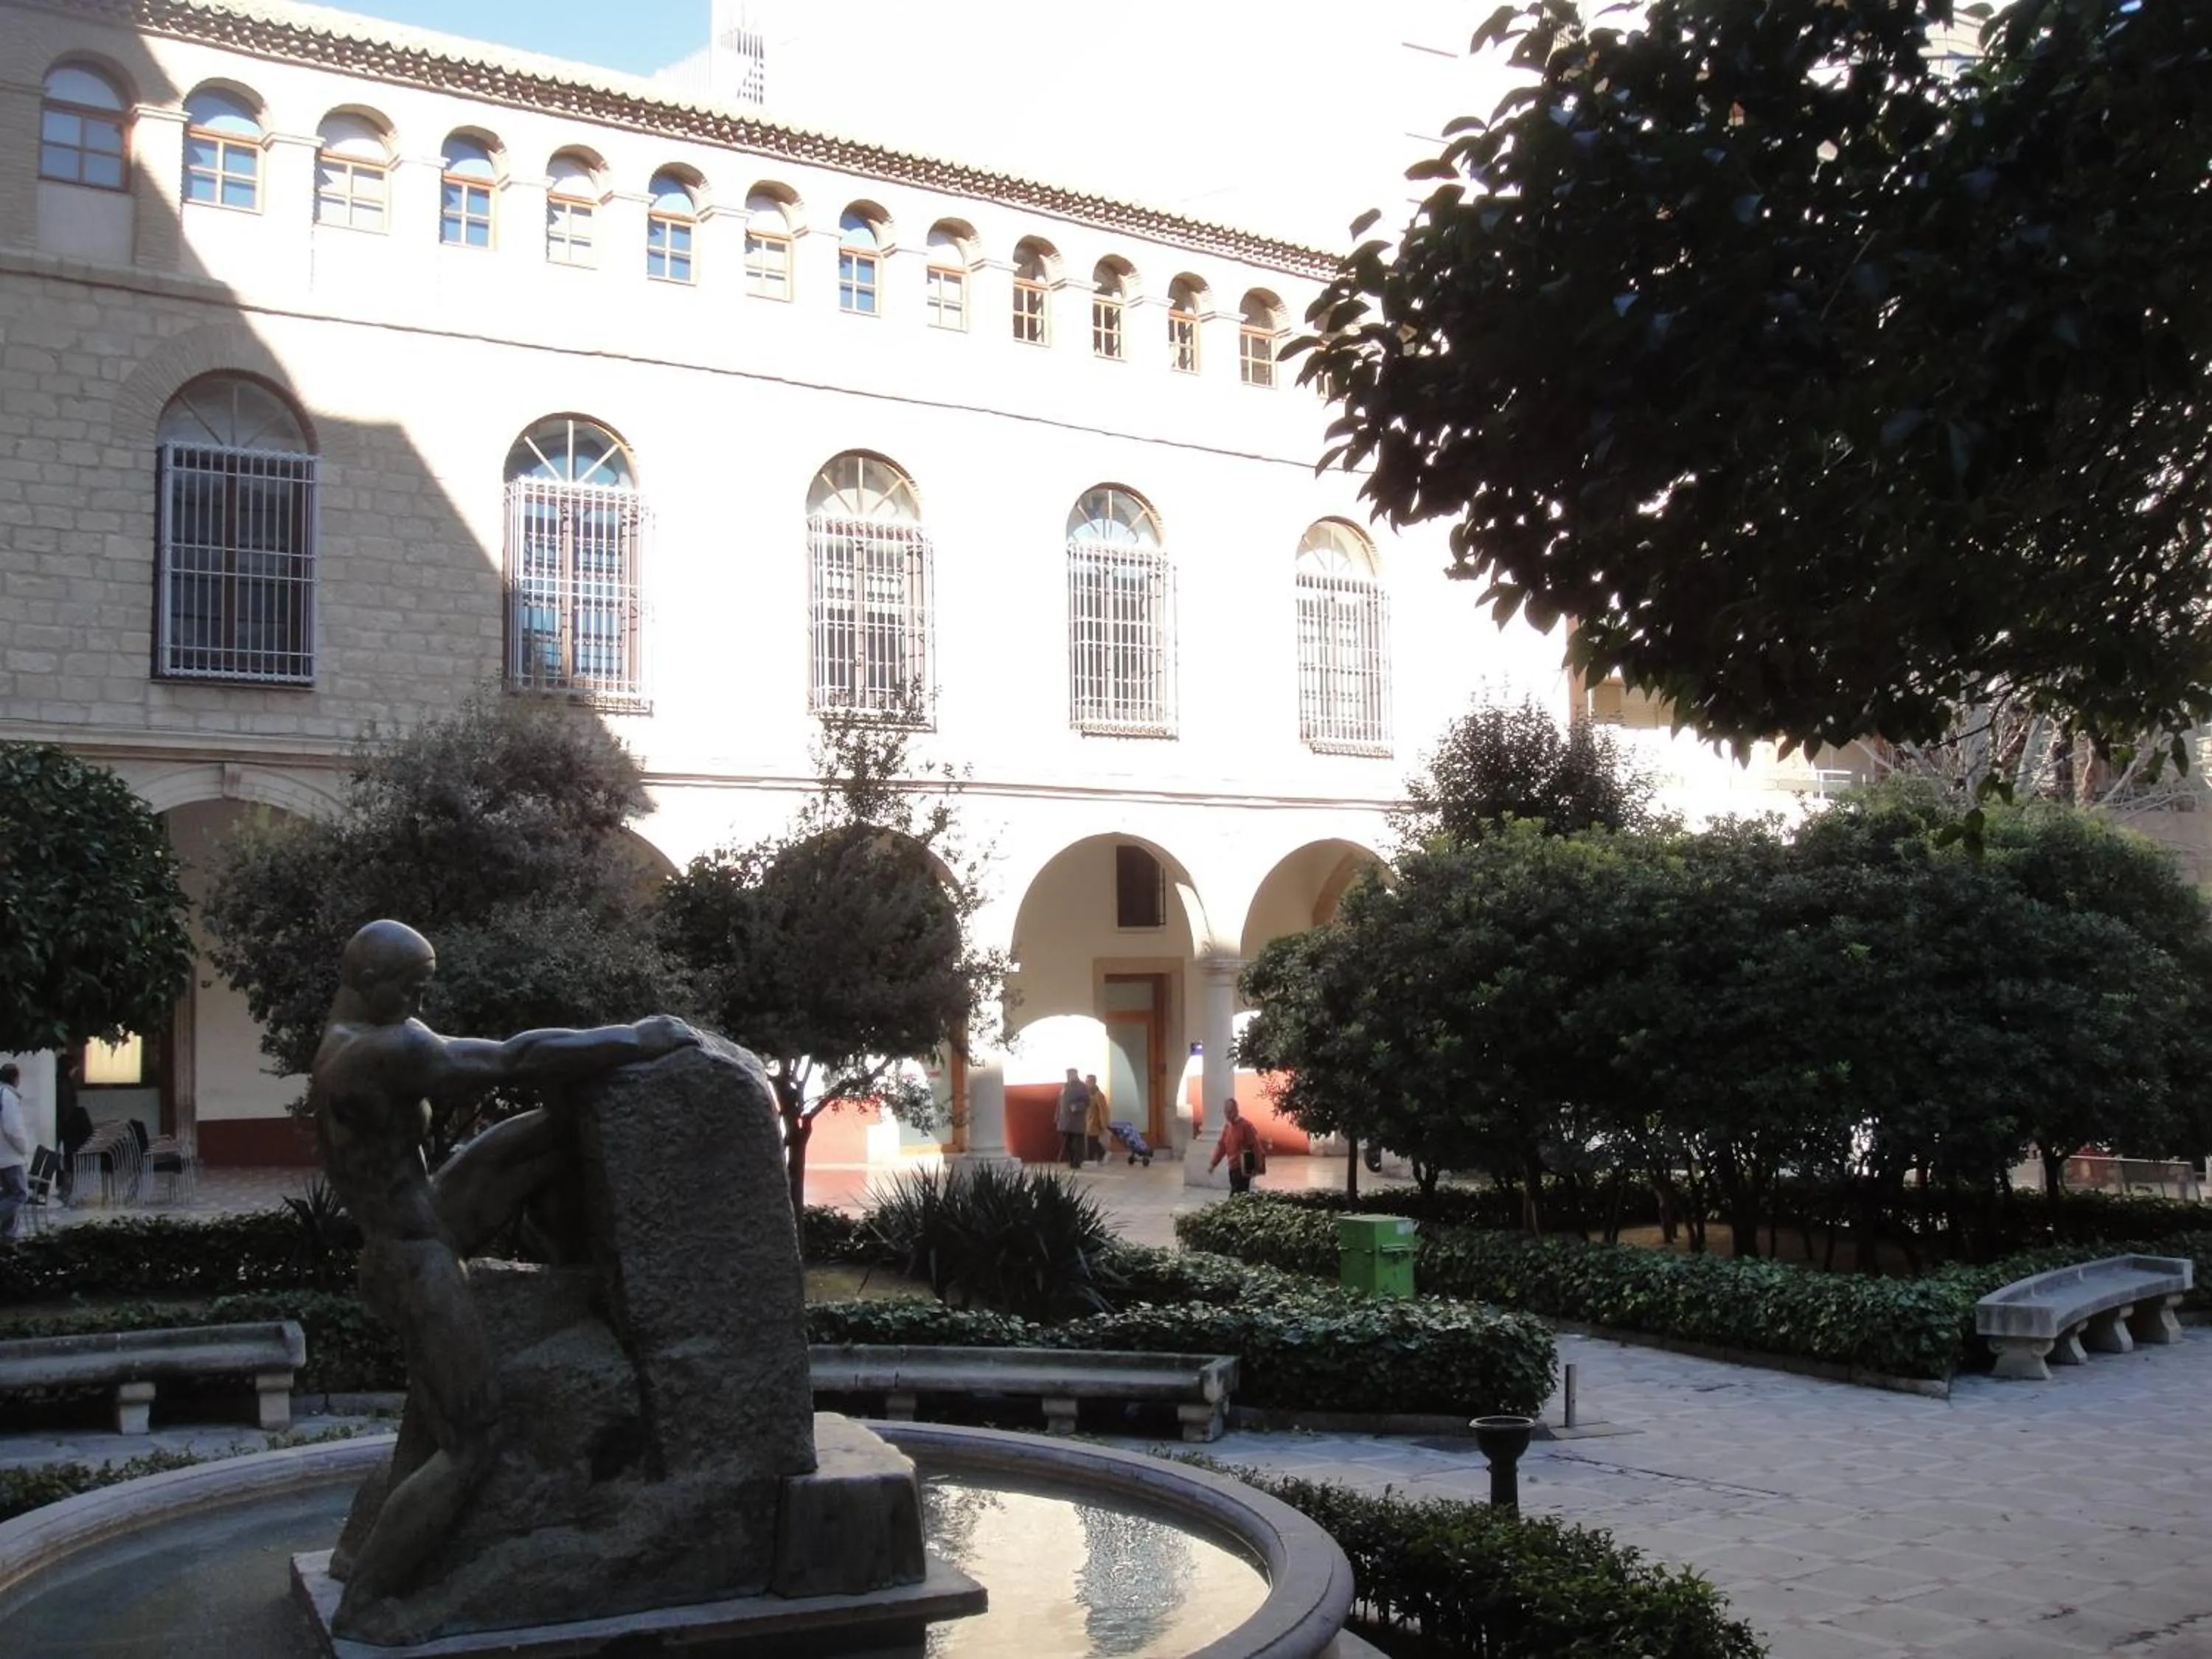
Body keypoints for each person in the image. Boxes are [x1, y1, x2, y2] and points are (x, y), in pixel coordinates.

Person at [310, 919, 698, 1615]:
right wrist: (637, 1038)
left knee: (549, 1138)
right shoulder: (379, 1050)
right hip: (414, 1259)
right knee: (472, 1440)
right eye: (411, 989)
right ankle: (369, 1605)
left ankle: (360, 1551)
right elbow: (514, 1057)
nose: (419, 1004)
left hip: (422, 1218)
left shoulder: (351, 1035)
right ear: (369, 982)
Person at [1208, 1096, 1265, 1194]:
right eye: (1226, 1112)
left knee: (1237, 1194)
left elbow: (1256, 1146)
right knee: (1238, 1194)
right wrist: (1213, 1164)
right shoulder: (1227, 1127)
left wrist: (1258, 1165)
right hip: (1232, 1167)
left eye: (1230, 1112)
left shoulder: (1246, 1126)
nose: (1228, 1115)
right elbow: (1221, 1147)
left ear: (1236, 1110)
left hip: (1243, 1168)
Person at [0, 1064, 28, 1240]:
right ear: (16, 1078)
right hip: (10, 1156)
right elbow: (13, 1129)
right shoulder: (8, 1097)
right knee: (20, 1193)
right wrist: (23, 1148)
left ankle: (8, 1236)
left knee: (8, 1193)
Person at [1056, 1067, 1091, 1169]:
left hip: (1077, 1120)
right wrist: (1057, 1116)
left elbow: (1087, 1102)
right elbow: (1060, 1103)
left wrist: (1077, 1107)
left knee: (1078, 1143)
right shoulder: (1065, 1087)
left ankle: (1077, 1161)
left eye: (1071, 1074)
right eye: (1068, 1075)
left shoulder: (1082, 1087)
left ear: (1076, 1075)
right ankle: (1071, 1160)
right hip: (1065, 1120)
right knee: (1068, 1143)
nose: (1069, 1077)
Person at [1083, 1072, 1110, 1164]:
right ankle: (1100, 1155)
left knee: (1092, 1141)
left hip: (1095, 1122)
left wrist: (1103, 1124)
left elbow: (1103, 1110)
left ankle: (1095, 1158)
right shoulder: (1088, 1094)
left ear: (1093, 1082)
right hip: (1088, 1121)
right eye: (1086, 1081)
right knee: (1092, 1141)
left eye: (1088, 1082)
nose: (1086, 1083)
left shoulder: (1099, 1095)